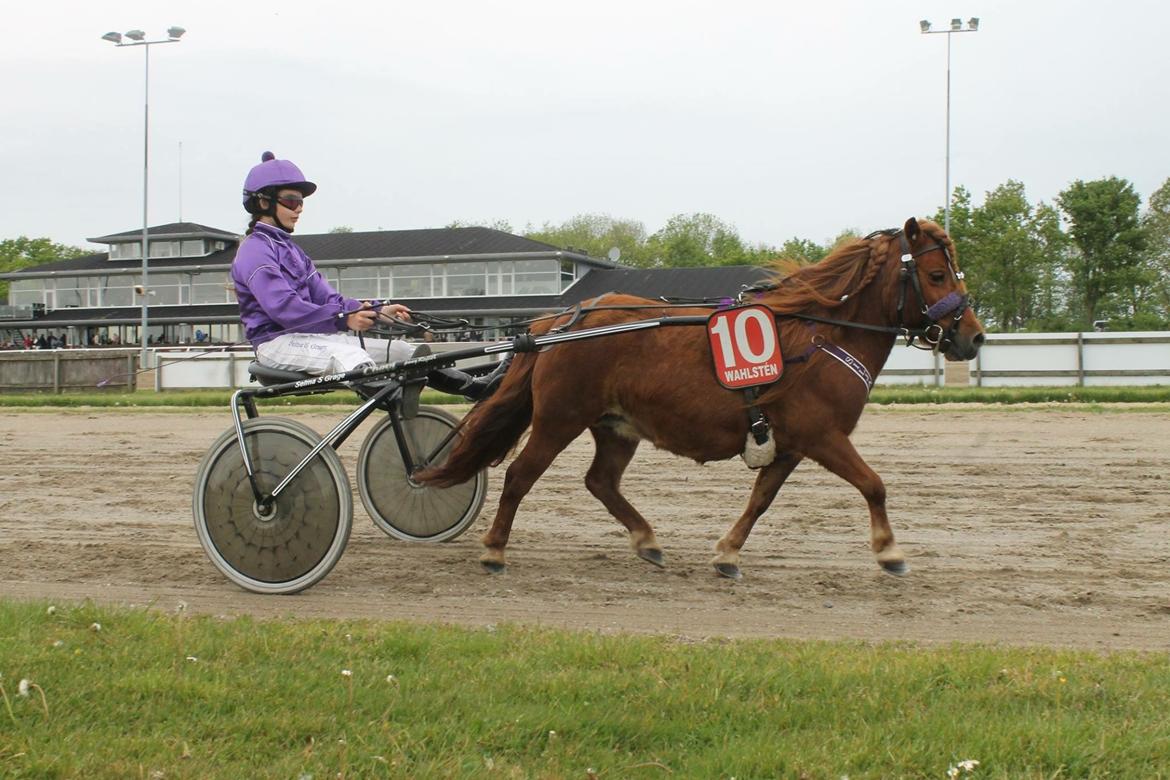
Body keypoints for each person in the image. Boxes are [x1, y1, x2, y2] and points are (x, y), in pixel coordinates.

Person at [230, 151, 505, 398]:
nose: (300, 208)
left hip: (312, 339)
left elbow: (330, 298)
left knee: (403, 353)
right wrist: (344, 319)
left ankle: (475, 388)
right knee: (349, 354)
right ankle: (394, 401)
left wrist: (376, 310)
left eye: (301, 201)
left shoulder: (292, 251)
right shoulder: (254, 251)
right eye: (291, 201)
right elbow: (284, 308)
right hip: (275, 344)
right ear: (263, 202)